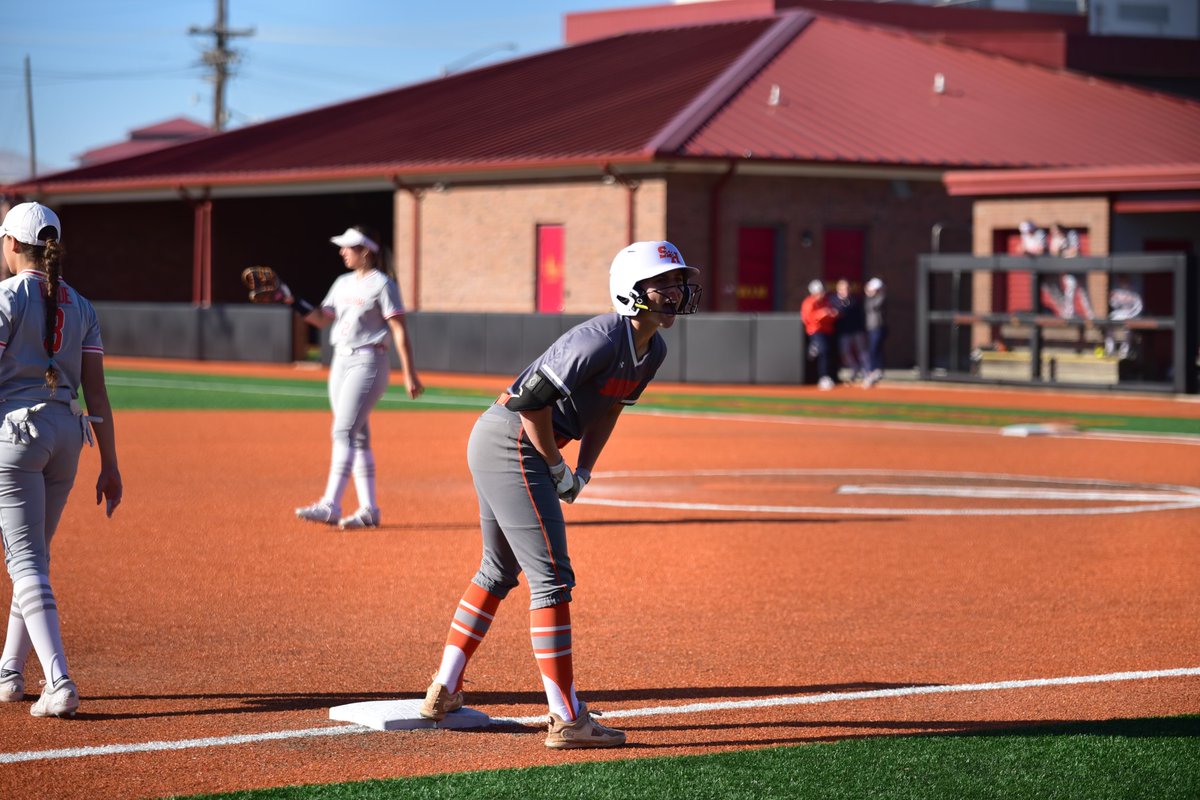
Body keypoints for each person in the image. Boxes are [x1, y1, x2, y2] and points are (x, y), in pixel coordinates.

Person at [418, 241, 701, 749]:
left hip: (509, 441)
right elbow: (531, 404)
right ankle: (567, 717)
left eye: (679, 283)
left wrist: (585, 469)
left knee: (498, 571)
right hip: (513, 440)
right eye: (665, 283)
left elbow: (610, 409)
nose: (676, 292)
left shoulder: (652, 348)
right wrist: (555, 464)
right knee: (551, 579)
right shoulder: (598, 339)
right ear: (631, 291)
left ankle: (445, 688)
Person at [0, 202, 122, 718]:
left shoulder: (7, 296)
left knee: (24, 562)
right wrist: (111, 465)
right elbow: (97, 394)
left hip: (16, 437)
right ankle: (9, 671)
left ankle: (58, 680)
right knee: (35, 563)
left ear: (11, 245)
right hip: (68, 437)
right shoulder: (82, 305)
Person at [289, 225, 423, 530]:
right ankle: (368, 510)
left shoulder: (383, 284)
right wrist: (290, 300)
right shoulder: (342, 282)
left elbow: (400, 330)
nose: (342, 251)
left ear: (365, 251)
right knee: (358, 437)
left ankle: (330, 504)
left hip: (369, 361)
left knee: (342, 432)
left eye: (348, 247)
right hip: (340, 361)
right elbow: (322, 319)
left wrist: (409, 373)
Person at [800, 280, 838, 390]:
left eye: (822, 292)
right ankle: (823, 378)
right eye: (818, 292)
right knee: (824, 351)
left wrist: (831, 314)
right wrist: (821, 314)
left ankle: (829, 376)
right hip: (815, 331)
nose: (821, 294)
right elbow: (807, 318)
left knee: (829, 353)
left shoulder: (826, 301)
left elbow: (832, 315)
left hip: (828, 331)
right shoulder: (809, 302)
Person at [830, 279, 867, 383]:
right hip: (843, 332)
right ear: (838, 289)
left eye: (847, 288)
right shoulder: (833, 300)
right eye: (843, 288)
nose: (845, 290)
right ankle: (855, 369)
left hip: (856, 330)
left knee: (862, 352)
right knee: (845, 353)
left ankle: (866, 372)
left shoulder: (855, 300)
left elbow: (859, 316)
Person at [863, 277, 887, 388]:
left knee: (874, 349)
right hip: (871, 327)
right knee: (873, 350)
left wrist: (870, 293)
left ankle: (874, 370)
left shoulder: (881, 297)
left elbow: (874, 306)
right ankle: (874, 370)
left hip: (878, 327)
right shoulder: (871, 298)